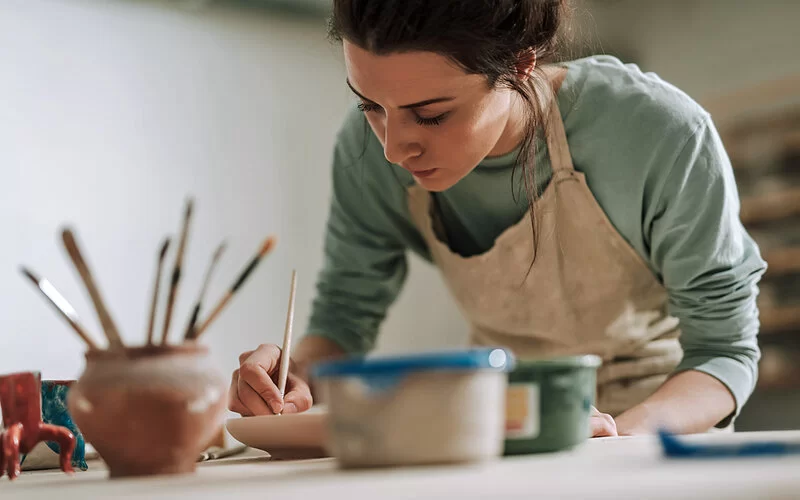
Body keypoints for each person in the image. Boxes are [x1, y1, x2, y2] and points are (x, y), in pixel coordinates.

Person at [228, 0, 767, 437]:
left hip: (656, 430)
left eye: (432, 114)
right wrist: (293, 377)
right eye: (370, 104)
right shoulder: (366, 153)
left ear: (520, 65)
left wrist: (620, 435)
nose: (394, 148)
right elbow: (344, 315)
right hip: (500, 429)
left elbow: (724, 353)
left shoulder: (659, 135)